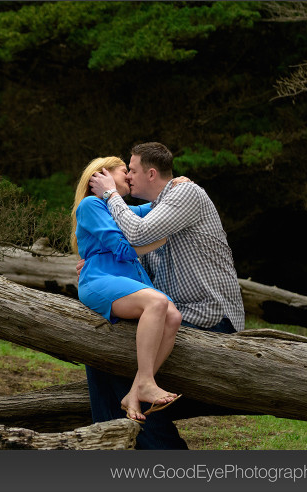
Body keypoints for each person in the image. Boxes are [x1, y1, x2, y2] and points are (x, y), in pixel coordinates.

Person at [82, 142, 245, 449]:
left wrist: (110, 194)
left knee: (121, 357)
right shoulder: (155, 212)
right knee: (101, 351)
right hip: (176, 314)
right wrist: (96, 260)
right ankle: (107, 444)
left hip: (210, 317)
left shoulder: (185, 194)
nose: (128, 176)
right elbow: (131, 254)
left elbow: (138, 236)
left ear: (151, 173)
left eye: (131, 170)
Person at [71, 156, 183, 423]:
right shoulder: (91, 204)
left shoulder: (119, 209)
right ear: (102, 175)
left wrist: (177, 185)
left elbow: (158, 209)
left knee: (173, 316)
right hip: (101, 278)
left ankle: (134, 392)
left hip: (129, 280)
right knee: (156, 303)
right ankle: (145, 381)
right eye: (125, 171)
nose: (130, 177)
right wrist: (158, 240)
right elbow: (122, 249)